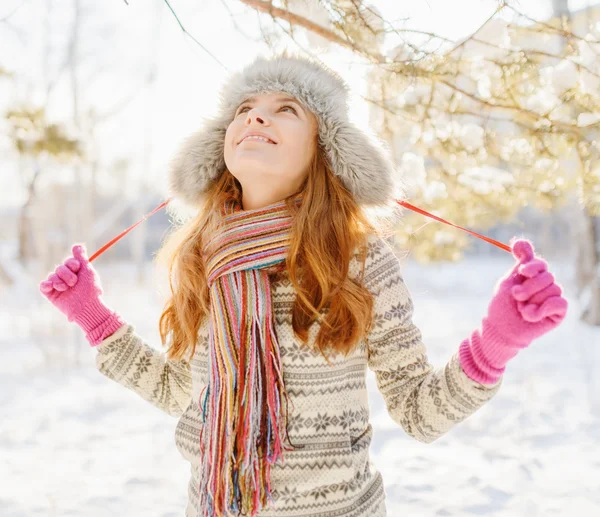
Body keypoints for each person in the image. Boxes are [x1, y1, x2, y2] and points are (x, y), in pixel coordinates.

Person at [39, 51, 568, 517]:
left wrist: (497, 342)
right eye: (243, 110)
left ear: (324, 150)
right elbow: (184, 392)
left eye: (285, 109)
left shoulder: (357, 260)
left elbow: (417, 410)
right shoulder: (204, 258)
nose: (256, 115)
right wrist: (93, 316)